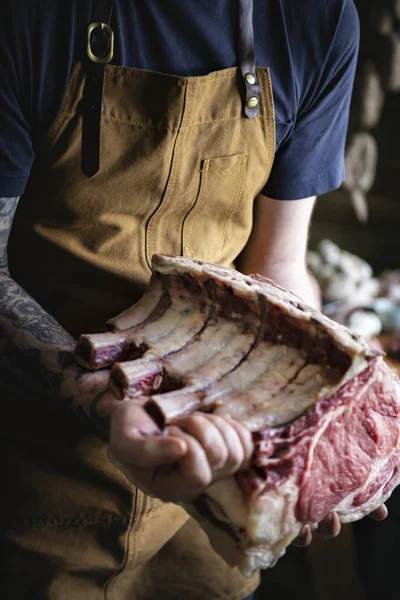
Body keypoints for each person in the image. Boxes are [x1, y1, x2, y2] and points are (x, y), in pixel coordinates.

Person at [0, 1, 385, 598]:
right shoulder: (30, 17)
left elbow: (276, 264)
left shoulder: (318, 19)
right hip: (30, 476)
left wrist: (297, 432)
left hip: (205, 482)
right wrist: (112, 402)